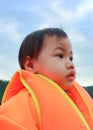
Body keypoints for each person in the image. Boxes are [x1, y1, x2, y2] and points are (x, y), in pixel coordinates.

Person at [0, 28, 93, 130]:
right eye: (60, 56)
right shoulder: (20, 106)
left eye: (71, 58)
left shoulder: (73, 100)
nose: (71, 64)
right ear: (30, 65)